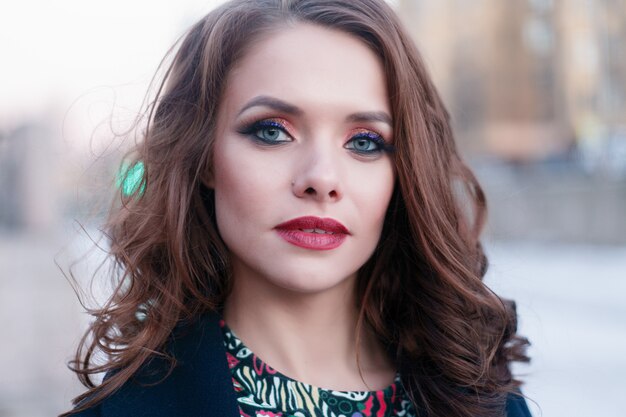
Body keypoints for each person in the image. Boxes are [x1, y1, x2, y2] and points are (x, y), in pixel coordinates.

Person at [64, 0, 532, 416]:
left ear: (402, 170)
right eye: (272, 131)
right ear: (202, 156)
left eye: (365, 142)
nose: (321, 179)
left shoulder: (487, 400)